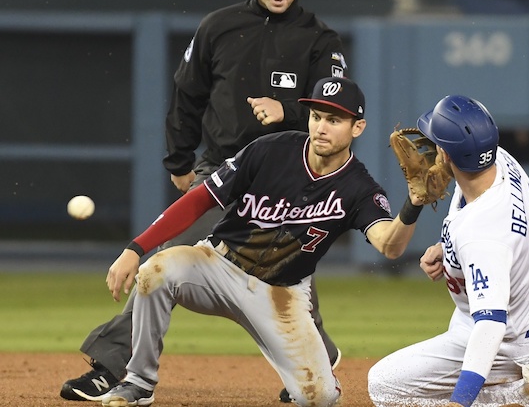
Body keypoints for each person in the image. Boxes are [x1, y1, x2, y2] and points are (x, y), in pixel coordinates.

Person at [60, 0, 349, 403]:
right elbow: (187, 96)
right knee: (173, 263)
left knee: (280, 271)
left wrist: (290, 110)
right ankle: (116, 367)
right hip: (222, 170)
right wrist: (179, 161)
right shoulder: (219, 26)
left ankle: (316, 346)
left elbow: (336, 112)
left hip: (288, 180)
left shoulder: (320, 40)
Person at [98, 76, 426, 407]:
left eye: (334, 120)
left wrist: (412, 205)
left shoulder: (359, 188)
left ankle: (319, 372)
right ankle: (138, 382)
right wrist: (135, 248)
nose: (321, 127)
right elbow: (199, 200)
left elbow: (390, 245)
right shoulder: (272, 149)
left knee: (320, 398)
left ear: (358, 128)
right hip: (218, 266)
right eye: (316, 116)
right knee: (155, 271)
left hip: (281, 295)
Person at [368, 95, 529, 407]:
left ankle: (516, 398)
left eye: (436, 143)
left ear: (446, 153)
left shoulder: (482, 235)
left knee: (383, 386)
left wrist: (459, 402)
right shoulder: (499, 160)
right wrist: (448, 251)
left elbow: (490, 325)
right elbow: (490, 238)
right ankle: (511, 392)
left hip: (507, 340)